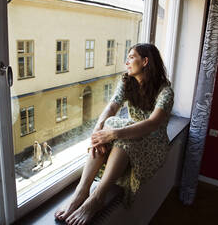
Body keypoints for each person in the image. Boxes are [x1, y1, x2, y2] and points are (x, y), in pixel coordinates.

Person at [54, 43, 174, 225]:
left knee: (118, 133)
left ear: (145, 61)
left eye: (131, 57)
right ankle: (82, 190)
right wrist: (98, 132)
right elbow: (112, 106)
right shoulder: (127, 81)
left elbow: (152, 123)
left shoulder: (165, 91)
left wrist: (113, 134)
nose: (126, 62)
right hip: (132, 135)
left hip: (154, 143)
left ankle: (97, 198)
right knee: (109, 124)